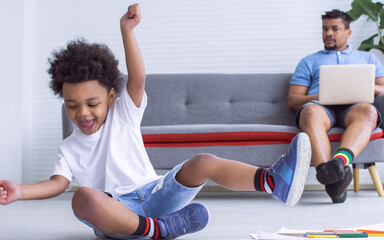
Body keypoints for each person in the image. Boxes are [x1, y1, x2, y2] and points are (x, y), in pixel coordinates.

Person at [0, 4, 311, 239]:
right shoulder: (69, 148)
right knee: (82, 198)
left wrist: (127, 31)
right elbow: (57, 184)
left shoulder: (123, 114)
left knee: (202, 161)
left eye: (92, 103)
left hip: (157, 194)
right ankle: (155, 231)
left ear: (110, 96)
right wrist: (20, 191)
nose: (83, 113)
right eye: (72, 105)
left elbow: (138, 77)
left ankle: (273, 181)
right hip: (117, 215)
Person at [287, 9, 384, 204]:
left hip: (355, 107)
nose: (328, 33)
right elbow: (293, 99)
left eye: (334, 28)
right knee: (311, 112)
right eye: (325, 29)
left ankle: (338, 163)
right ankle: (328, 172)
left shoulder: (368, 59)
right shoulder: (309, 61)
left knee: (369, 111)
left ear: (348, 32)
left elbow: (382, 87)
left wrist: (362, 86)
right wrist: (319, 96)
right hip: (321, 108)